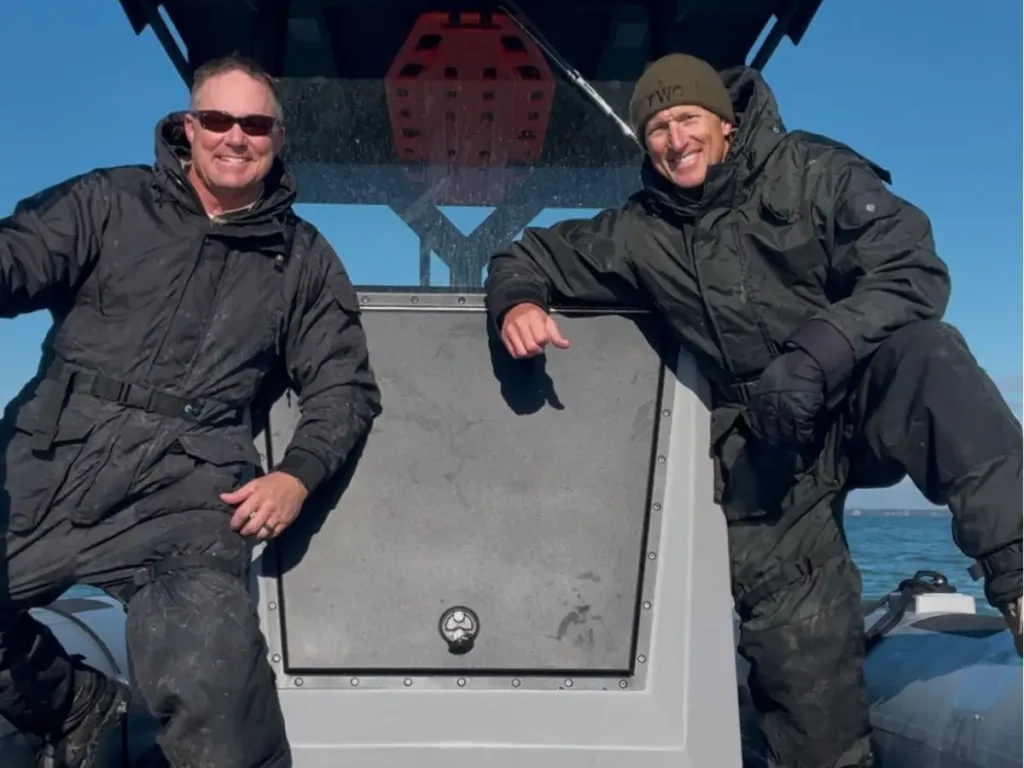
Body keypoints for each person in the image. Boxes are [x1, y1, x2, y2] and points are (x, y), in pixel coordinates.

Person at [484, 53, 1022, 768]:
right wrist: (517, 301)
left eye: (687, 119)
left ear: (725, 122)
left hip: (856, 390)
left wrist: (816, 355)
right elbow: (528, 255)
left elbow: (911, 270)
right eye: (658, 127)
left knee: (931, 357)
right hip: (769, 455)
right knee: (804, 686)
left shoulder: (812, 173)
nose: (675, 139)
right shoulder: (639, 231)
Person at [0, 54, 381, 767]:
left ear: (278, 137)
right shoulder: (105, 201)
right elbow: (17, 256)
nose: (235, 137)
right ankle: (72, 704)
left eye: (255, 124)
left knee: (218, 686)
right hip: (50, 458)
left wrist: (296, 475)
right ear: (188, 126)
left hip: (188, 494)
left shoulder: (302, 259)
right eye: (217, 119)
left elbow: (345, 387)